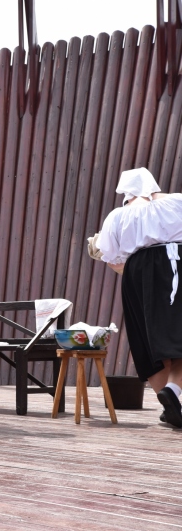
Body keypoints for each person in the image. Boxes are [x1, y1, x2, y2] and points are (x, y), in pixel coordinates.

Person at [97, 167, 182, 428]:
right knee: (178, 334)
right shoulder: (177, 201)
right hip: (173, 263)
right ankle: (174, 392)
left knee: (147, 340)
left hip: (135, 273)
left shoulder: (118, 215)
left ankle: (169, 406)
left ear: (126, 194)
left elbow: (110, 257)